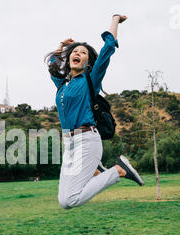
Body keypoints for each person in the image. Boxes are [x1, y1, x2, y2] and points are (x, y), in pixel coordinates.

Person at [45, 14, 144, 210]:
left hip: (86, 140)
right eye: (75, 52)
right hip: (69, 144)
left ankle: (118, 170)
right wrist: (62, 47)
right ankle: (97, 171)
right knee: (64, 202)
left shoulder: (91, 80)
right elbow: (52, 65)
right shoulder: (62, 85)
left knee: (71, 199)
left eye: (83, 53)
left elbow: (108, 49)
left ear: (88, 63)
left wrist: (115, 21)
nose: (77, 53)